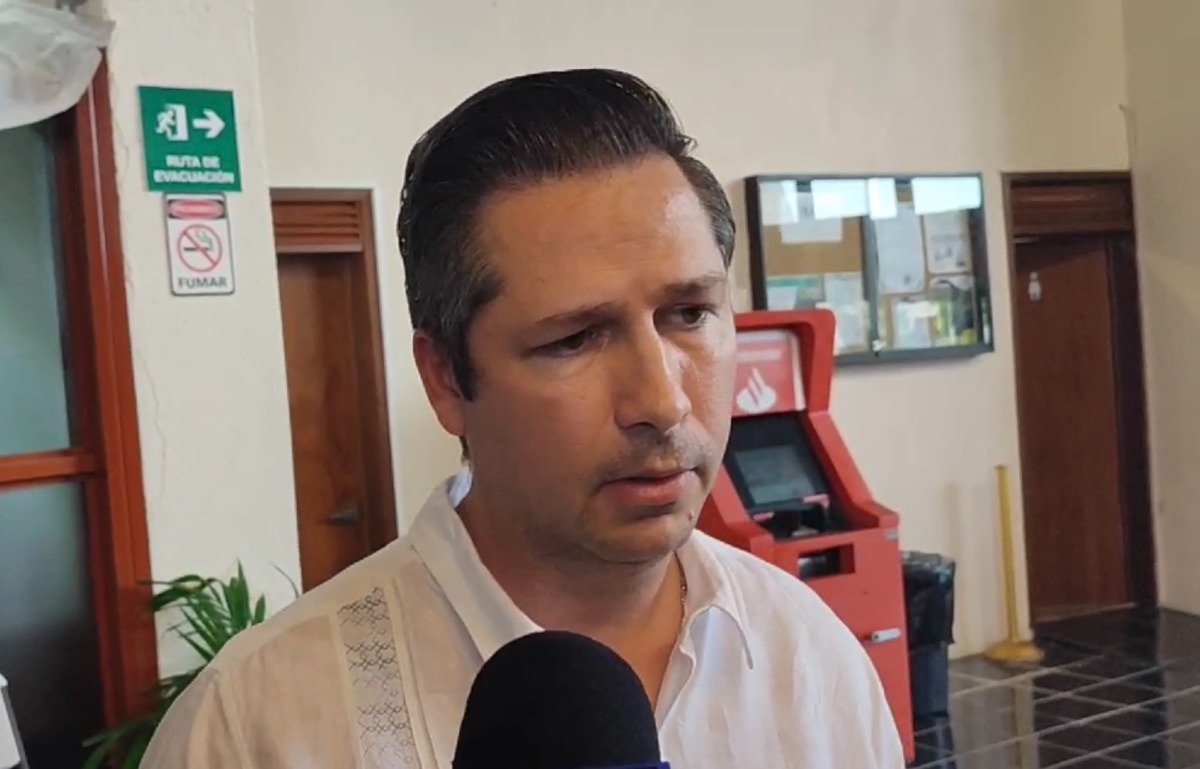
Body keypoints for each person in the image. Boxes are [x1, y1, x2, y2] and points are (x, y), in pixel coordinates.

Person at [141, 68, 904, 768]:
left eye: (689, 313)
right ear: (446, 378)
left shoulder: (808, 655)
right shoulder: (255, 727)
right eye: (574, 339)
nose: (663, 402)